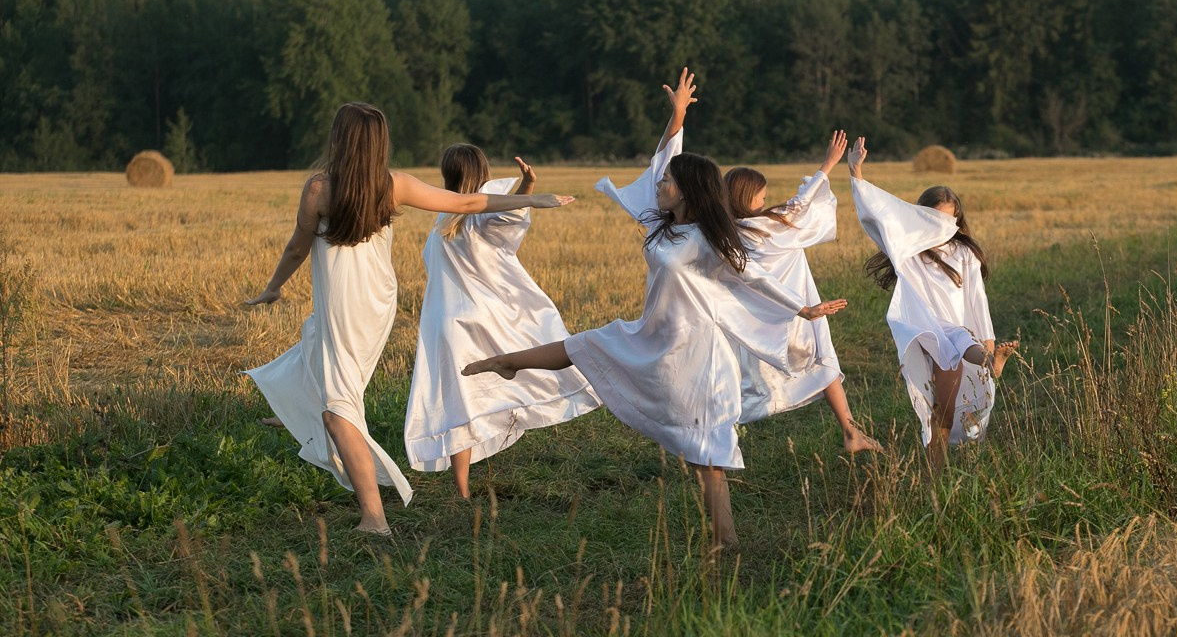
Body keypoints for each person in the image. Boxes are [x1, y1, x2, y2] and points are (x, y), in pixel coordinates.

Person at [462, 70, 846, 549]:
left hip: (696, 352)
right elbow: (664, 156)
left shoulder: (709, 237)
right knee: (588, 344)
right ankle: (508, 363)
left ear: (687, 191)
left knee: (707, 453)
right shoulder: (660, 224)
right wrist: (678, 114)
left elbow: (753, 276)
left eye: (668, 182)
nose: (660, 183)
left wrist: (803, 307)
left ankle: (724, 542)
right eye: (663, 180)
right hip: (654, 335)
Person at [244, 102, 573, 536]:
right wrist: (530, 196)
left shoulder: (319, 189)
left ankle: (374, 518)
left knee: (339, 409)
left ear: (338, 140)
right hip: (377, 302)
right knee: (315, 343)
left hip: (345, 302)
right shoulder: (393, 185)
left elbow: (296, 248)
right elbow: (469, 201)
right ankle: (298, 409)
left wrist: (273, 286)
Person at [402, 145, 600, 498]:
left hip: (446, 324)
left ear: (446, 174)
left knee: (460, 400)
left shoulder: (442, 222)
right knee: (515, 371)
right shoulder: (479, 212)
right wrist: (527, 187)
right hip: (483, 317)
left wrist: (523, 191)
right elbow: (511, 217)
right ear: (484, 171)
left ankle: (461, 489)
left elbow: (507, 214)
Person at [847, 136, 1018, 468]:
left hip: (955, 335)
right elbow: (876, 219)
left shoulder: (965, 253)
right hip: (924, 331)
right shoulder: (907, 251)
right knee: (940, 399)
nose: (942, 229)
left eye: (949, 221)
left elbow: (977, 301)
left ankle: (989, 361)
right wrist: (856, 173)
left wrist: (990, 342)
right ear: (920, 218)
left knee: (946, 404)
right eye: (934, 220)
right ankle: (935, 477)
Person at [724, 131, 881, 455]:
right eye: (761, 197)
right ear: (745, 197)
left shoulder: (732, 232)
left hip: (766, 316)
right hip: (800, 310)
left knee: (815, 361)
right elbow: (800, 205)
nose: (766, 201)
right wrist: (829, 164)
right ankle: (849, 432)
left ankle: (851, 432)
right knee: (823, 358)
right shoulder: (767, 227)